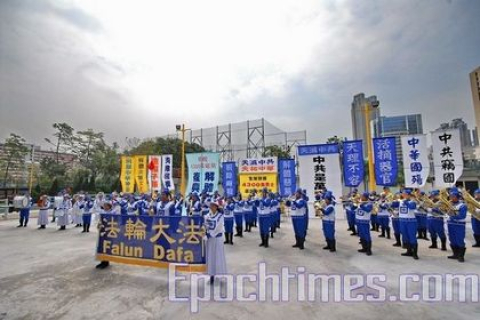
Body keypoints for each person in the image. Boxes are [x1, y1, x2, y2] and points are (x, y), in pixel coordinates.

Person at [205, 201, 227, 284]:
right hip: (210, 240)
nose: (211, 207)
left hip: (217, 239)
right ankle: (211, 275)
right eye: (210, 205)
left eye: (213, 205)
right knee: (210, 257)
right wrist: (205, 232)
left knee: (217, 257)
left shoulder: (220, 216)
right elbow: (205, 224)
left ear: (216, 207)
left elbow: (218, 227)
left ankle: (219, 274)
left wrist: (209, 234)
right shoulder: (208, 215)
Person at [447, 189, 468, 263]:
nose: (451, 197)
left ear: (458, 197)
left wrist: (452, 216)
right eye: (451, 196)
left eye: (453, 196)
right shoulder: (449, 203)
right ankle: (455, 254)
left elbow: (462, 216)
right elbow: (447, 213)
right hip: (450, 224)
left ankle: (461, 256)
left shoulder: (462, 205)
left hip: (459, 225)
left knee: (459, 240)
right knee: (452, 239)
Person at [399, 189, 419, 260]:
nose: (403, 195)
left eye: (404, 194)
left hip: (411, 222)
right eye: (403, 194)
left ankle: (415, 253)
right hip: (402, 221)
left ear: (408, 194)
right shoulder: (400, 201)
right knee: (405, 236)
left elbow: (412, 207)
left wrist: (406, 202)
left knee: (412, 236)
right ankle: (408, 251)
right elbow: (392, 205)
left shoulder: (412, 201)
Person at [96, 202, 114, 270]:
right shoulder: (102, 212)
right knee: (101, 247)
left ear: (109, 207)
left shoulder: (112, 213)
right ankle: (102, 261)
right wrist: (99, 224)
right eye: (104, 206)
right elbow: (100, 220)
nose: (105, 207)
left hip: (108, 232)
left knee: (107, 247)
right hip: (102, 231)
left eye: (106, 206)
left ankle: (106, 262)